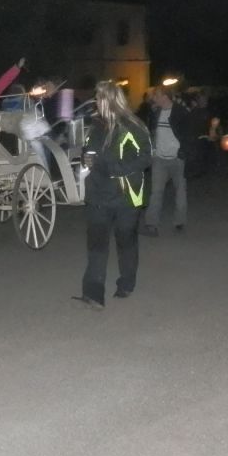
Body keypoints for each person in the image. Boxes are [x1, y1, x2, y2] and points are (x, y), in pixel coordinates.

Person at [73, 81, 153, 310]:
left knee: (126, 242)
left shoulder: (132, 126)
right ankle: (93, 293)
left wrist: (112, 168)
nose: (96, 102)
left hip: (126, 196)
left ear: (110, 100)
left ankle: (126, 284)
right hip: (98, 196)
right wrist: (85, 158)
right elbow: (89, 151)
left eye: (99, 98)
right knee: (96, 246)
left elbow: (145, 157)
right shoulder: (96, 126)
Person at [142, 86, 193, 236]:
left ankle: (179, 221)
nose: (154, 98)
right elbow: (152, 132)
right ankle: (151, 224)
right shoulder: (156, 112)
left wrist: (183, 151)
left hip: (177, 159)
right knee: (156, 192)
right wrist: (152, 150)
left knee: (180, 191)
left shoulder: (180, 112)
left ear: (165, 96)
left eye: (156, 95)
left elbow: (189, 133)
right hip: (159, 159)